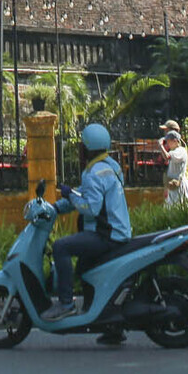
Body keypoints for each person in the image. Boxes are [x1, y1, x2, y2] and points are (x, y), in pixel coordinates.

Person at [47, 122, 130, 327]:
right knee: (84, 269)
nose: (79, 150)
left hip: (105, 235)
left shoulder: (94, 173)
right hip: (117, 232)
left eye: (81, 146)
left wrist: (69, 196)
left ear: (87, 148)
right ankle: (108, 324)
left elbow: (89, 207)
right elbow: (85, 195)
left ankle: (66, 304)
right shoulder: (111, 166)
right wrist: (56, 208)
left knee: (61, 247)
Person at [161, 128, 188, 206]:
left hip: (179, 185)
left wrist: (160, 146)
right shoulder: (174, 151)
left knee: (180, 206)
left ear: (175, 140)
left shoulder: (180, 151)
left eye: (168, 142)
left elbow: (167, 156)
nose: (167, 144)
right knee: (171, 207)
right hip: (172, 185)